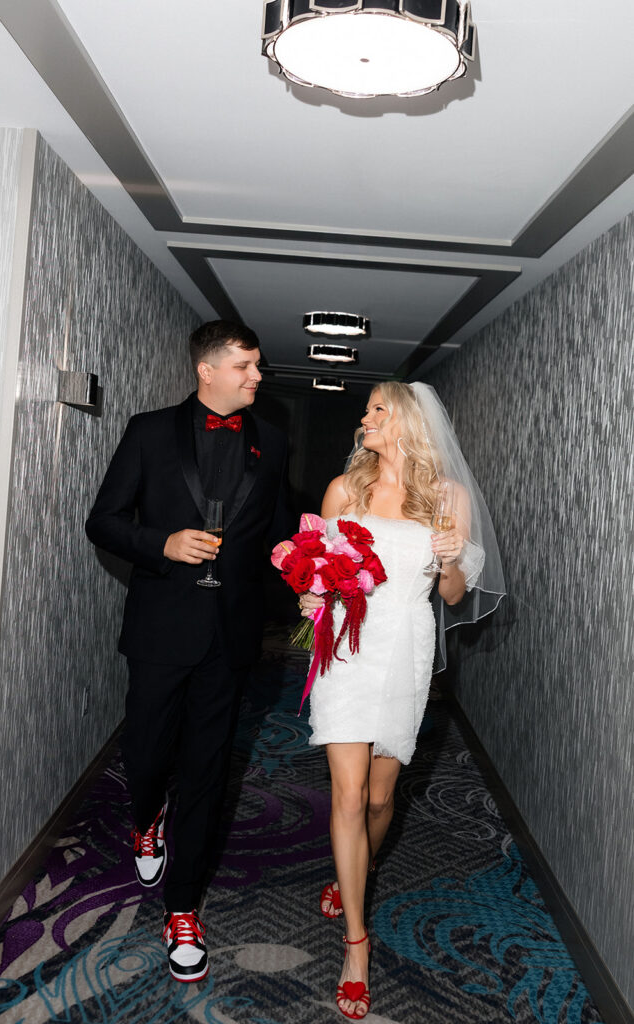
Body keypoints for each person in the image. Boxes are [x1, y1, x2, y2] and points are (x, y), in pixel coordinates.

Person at [85, 320, 291, 983]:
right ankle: (147, 819)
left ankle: (183, 910)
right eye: (246, 366)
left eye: (257, 366)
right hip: (159, 627)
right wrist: (162, 545)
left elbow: (278, 532)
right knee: (146, 752)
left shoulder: (274, 442)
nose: (257, 377)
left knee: (207, 769)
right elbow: (104, 519)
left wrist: (310, 573)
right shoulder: (149, 432)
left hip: (230, 634)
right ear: (208, 369)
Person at [299, 381, 505, 1020]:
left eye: (377, 409)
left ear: (409, 421)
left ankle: (350, 874)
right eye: (365, 410)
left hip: (404, 651)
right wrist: (308, 600)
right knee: (349, 795)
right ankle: (355, 946)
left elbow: (449, 597)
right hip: (344, 649)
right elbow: (316, 573)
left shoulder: (449, 499)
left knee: (382, 799)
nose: (365, 418)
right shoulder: (344, 491)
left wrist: (448, 561)